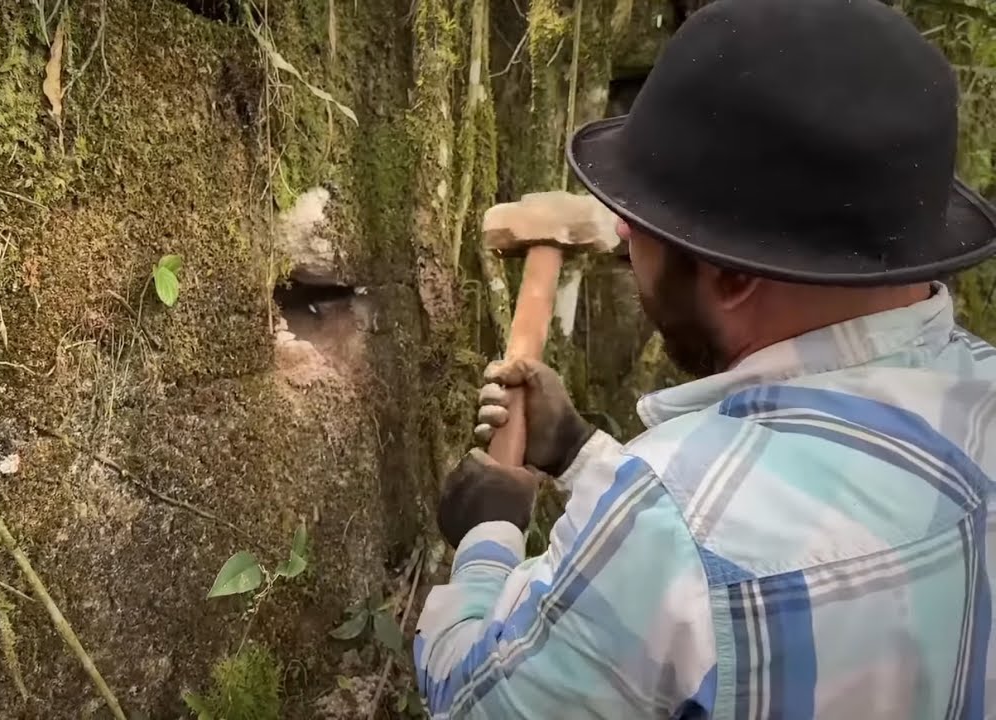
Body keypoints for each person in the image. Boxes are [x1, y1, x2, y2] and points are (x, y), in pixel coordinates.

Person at [413, 0, 996, 717]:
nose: (623, 231)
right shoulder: (981, 388)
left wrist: (488, 535)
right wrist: (584, 455)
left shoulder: (669, 525)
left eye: (646, 218)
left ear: (731, 276)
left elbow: (475, 701)